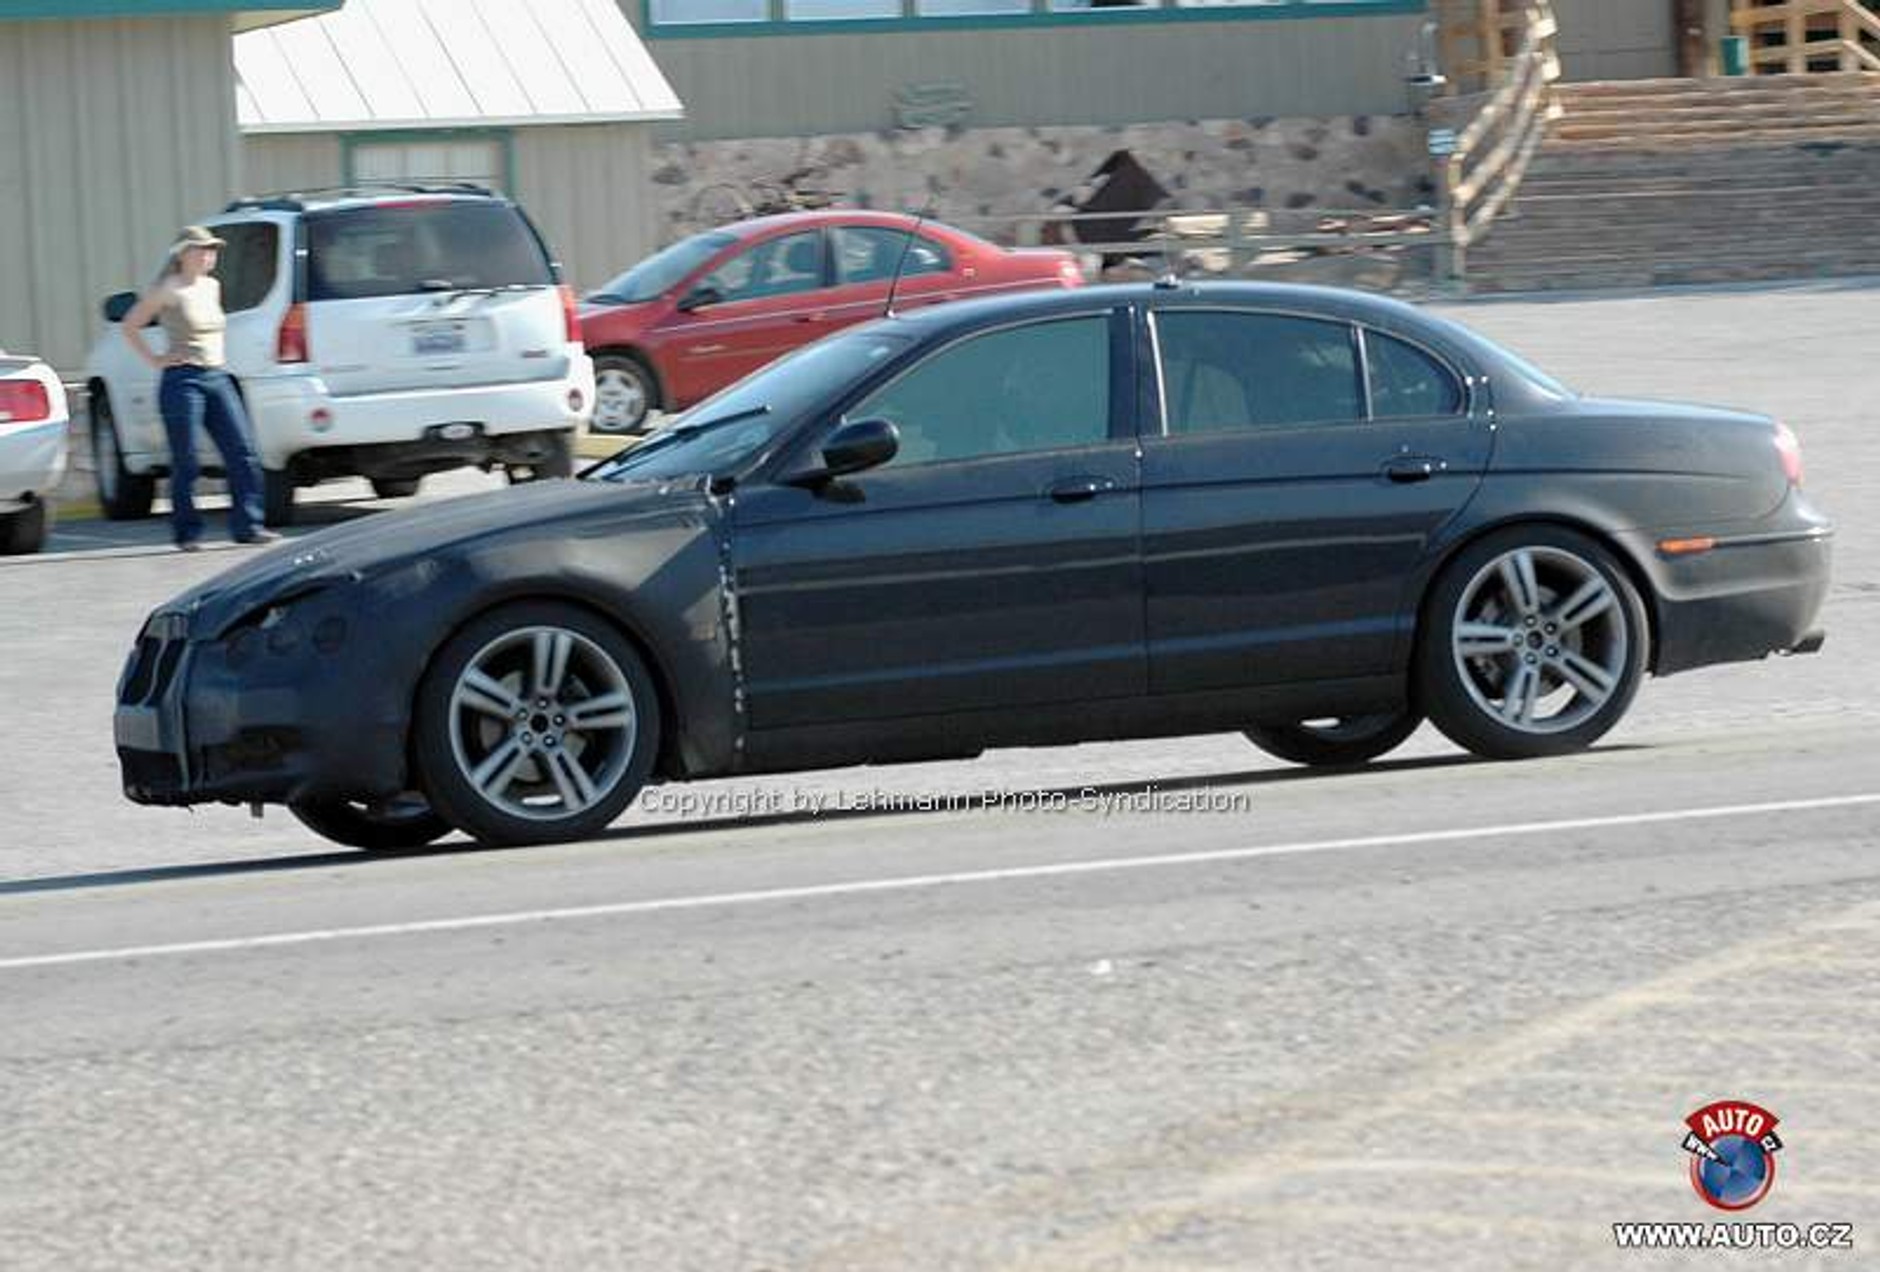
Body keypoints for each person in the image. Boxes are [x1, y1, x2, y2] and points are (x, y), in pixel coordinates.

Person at [122, 225, 277, 551]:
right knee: (187, 459)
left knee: (243, 451)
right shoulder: (168, 289)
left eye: (213, 249)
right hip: (183, 381)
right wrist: (157, 360)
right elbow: (130, 325)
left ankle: (249, 525)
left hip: (217, 376)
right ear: (183, 254)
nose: (210, 254)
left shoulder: (212, 286)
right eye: (203, 248)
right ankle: (187, 532)